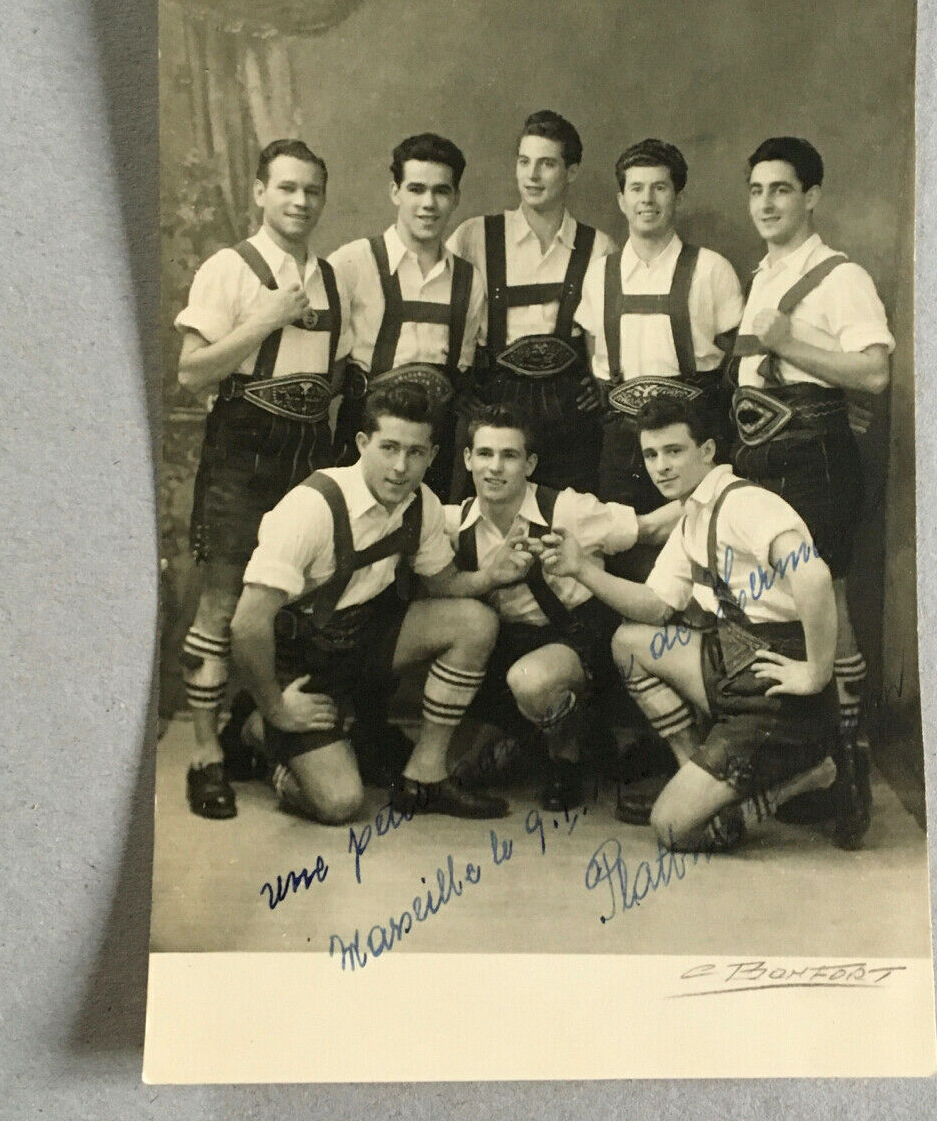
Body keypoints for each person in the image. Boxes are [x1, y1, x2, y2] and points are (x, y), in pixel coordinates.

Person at [539, 396, 870, 851]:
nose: (661, 466)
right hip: (735, 662)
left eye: (674, 451)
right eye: (651, 455)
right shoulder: (694, 513)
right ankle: (694, 768)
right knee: (631, 642)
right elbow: (655, 606)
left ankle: (816, 772)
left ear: (708, 451)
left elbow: (812, 574)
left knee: (673, 827)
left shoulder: (745, 503)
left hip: (778, 687)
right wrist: (582, 569)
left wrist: (816, 671)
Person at [229, 385, 536, 824]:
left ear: (431, 456)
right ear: (361, 445)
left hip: (360, 642)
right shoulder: (312, 507)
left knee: (473, 621)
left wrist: (491, 576)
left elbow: (444, 583)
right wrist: (278, 706)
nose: (400, 467)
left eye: (415, 452)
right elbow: (246, 624)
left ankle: (425, 776)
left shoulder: (422, 505)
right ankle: (258, 729)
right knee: (339, 803)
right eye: (389, 448)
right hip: (297, 663)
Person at [173, 139, 351, 820]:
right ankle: (206, 757)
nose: (300, 202)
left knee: (295, 598)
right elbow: (192, 371)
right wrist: (264, 319)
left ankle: (262, 729)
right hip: (243, 447)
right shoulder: (231, 268)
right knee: (223, 600)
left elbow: (337, 370)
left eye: (312, 191)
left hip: (308, 449)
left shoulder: (331, 277)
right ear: (259, 193)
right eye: (287, 188)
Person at [731, 137, 893, 826]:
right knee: (780, 609)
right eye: (757, 190)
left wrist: (787, 341)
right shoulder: (762, 272)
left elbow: (875, 373)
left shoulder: (839, 276)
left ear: (812, 197)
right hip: (761, 458)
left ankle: (849, 770)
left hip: (815, 457)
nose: (767, 203)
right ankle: (810, 759)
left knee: (832, 607)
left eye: (782, 190)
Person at [441, 404, 681, 808]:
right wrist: (489, 578)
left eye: (510, 455)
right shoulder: (451, 523)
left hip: (577, 643)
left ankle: (566, 757)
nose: (495, 468)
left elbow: (652, 528)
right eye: (484, 454)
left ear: (530, 463)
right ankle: (526, 738)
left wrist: (716, 495)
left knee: (532, 681)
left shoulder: (568, 510)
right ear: (467, 459)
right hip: (507, 645)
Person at [574, 138, 744, 518]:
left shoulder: (712, 269)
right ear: (621, 200)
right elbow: (592, 347)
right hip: (621, 441)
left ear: (677, 198)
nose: (647, 199)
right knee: (622, 545)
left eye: (659, 187)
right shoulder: (600, 273)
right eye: (636, 188)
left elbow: (738, 359)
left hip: (691, 439)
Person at [448, 111, 615, 493]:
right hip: (495, 399)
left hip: (568, 407)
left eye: (547, 164)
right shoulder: (474, 236)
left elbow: (606, 333)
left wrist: (597, 382)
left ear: (571, 172)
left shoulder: (599, 247)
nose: (532, 175)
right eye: (524, 162)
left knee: (567, 522)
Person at [330, 133, 485, 500]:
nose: (428, 204)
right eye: (416, 189)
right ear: (394, 192)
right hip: (366, 436)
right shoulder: (352, 262)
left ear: (456, 198)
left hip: (435, 444)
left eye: (441, 191)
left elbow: (462, 367)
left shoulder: (468, 279)